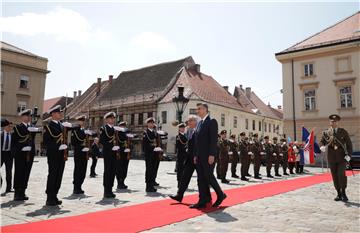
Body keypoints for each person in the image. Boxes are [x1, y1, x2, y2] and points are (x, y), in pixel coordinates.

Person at [191, 103, 226, 209]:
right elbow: (197, 142)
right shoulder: (199, 123)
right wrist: (196, 155)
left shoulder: (211, 122)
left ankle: (220, 194)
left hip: (208, 156)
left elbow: (213, 140)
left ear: (205, 109)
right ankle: (202, 200)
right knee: (201, 178)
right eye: (197, 109)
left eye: (199, 109)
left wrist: (212, 154)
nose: (197, 111)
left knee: (209, 176)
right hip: (200, 156)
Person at [320, 114, 352, 202]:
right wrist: (321, 146)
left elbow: (349, 144)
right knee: (334, 176)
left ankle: (344, 192)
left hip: (342, 157)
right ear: (329, 122)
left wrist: (349, 155)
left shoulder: (343, 132)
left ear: (338, 122)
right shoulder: (326, 132)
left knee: (341, 174)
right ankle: (338, 193)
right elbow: (322, 141)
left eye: (335, 121)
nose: (333, 122)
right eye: (332, 121)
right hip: (331, 157)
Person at [43, 105, 68, 205]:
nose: (60, 114)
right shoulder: (48, 126)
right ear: (53, 114)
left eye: (61, 112)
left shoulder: (62, 125)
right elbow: (46, 142)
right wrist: (57, 147)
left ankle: (55, 195)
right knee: (53, 174)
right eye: (59, 112)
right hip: (53, 154)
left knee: (59, 175)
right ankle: (49, 197)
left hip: (62, 154)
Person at [170, 115, 198, 202]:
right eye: (187, 121)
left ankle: (218, 193)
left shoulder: (198, 131)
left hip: (196, 158)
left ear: (194, 122)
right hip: (189, 158)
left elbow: (198, 145)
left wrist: (196, 155)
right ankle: (180, 195)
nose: (187, 123)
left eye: (189, 121)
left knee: (205, 178)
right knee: (185, 177)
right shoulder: (189, 131)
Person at [12, 109, 38, 201]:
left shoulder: (32, 127)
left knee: (26, 172)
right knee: (19, 172)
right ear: (22, 117)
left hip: (29, 153)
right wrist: (20, 149)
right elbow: (14, 143)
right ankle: (17, 193)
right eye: (27, 116)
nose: (29, 117)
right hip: (20, 154)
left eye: (29, 116)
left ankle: (23, 191)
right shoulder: (17, 128)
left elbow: (31, 140)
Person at [99, 112, 117, 198]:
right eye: (110, 118)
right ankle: (106, 190)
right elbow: (102, 141)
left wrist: (116, 147)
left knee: (113, 170)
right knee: (108, 171)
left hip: (114, 152)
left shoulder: (115, 129)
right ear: (106, 120)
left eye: (113, 118)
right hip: (108, 152)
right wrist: (111, 147)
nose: (112, 120)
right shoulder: (103, 129)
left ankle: (110, 189)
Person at [71, 115, 89, 194]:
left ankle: (80, 185)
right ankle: (76, 187)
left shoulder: (84, 130)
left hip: (84, 152)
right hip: (78, 152)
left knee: (83, 170)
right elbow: (74, 142)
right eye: (81, 121)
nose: (82, 122)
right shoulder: (75, 130)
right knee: (78, 169)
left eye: (83, 121)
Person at [142, 117, 158, 192]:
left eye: (152, 123)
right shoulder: (145, 133)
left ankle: (151, 184)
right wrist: (152, 148)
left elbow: (156, 142)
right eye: (150, 123)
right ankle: (148, 186)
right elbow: (145, 144)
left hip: (155, 153)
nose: (151, 124)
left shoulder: (155, 132)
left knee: (153, 169)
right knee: (149, 169)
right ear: (147, 124)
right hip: (149, 154)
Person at [116, 121, 131, 189]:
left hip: (126, 153)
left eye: (124, 126)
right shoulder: (117, 133)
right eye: (122, 126)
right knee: (119, 168)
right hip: (120, 152)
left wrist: (129, 153)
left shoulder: (127, 133)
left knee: (125, 168)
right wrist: (117, 153)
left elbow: (129, 144)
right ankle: (119, 183)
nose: (123, 127)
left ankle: (123, 182)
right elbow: (116, 143)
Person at [1, 119, 14, 194]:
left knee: (9, 171)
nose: (10, 128)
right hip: (1, 154)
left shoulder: (13, 135)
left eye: (11, 127)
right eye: (9, 126)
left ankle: (9, 188)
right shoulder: (0, 134)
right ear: (5, 127)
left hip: (9, 155)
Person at [175, 123, 188, 188]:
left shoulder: (185, 135)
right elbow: (178, 146)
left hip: (185, 155)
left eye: (184, 128)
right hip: (180, 155)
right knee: (180, 169)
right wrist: (185, 148)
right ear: (179, 129)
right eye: (181, 128)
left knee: (184, 170)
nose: (183, 129)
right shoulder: (178, 136)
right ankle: (179, 183)